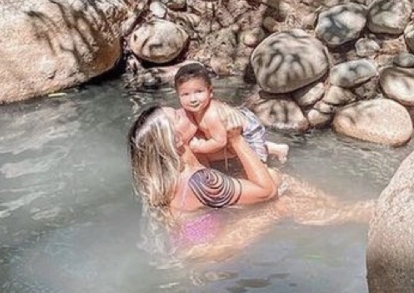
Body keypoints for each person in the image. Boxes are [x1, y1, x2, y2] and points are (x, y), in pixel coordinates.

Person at [127, 104, 374, 262]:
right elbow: (267, 192)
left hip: (192, 240)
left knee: (281, 179)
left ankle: (342, 209)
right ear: (175, 140)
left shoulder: (177, 169)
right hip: (209, 251)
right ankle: (359, 213)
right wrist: (235, 139)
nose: (184, 110)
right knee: (280, 203)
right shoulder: (197, 182)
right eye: (177, 116)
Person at [173, 62, 289, 165]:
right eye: (186, 94)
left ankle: (268, 167)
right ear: (178, 96)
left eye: (199, 92)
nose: (193, 99)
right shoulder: (194, 110)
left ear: (210, 92)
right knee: (232, 148)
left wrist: (199, 147)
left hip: (250, 130)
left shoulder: (211, 115)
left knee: (254, 161)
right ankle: (276, 149)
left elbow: (220, 142)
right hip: (238, 121)